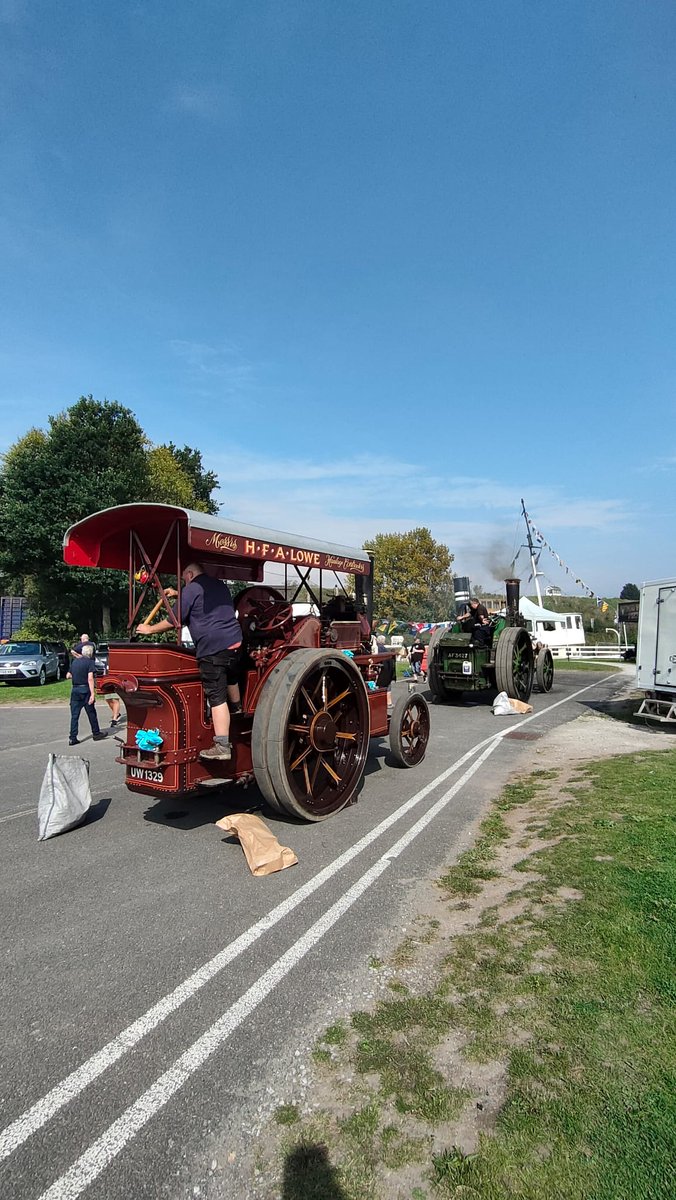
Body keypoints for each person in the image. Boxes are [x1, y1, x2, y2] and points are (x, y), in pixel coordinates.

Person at [135, 563, 242, 762]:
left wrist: (149, 630)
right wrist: (178, 594)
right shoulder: (218, 585)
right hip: (234, 642)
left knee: (216, 696)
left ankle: (222, 745)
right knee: (231, 675)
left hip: (212, 647)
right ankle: (237, 709)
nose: (184, 581)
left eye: (184, 577)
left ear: (190, 574)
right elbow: (204, 599)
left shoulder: (191, 589)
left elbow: (174, 620)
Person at [67, 645, 106, 746]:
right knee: (91, 713)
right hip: (85, 690)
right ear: (91, 653)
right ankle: (96, 733)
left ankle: (72, 737)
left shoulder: (74, 662)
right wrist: (92, 693)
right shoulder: (90, 663)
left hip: (75, 689)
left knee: (74, 715)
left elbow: (68, 675)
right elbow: (90, 678)